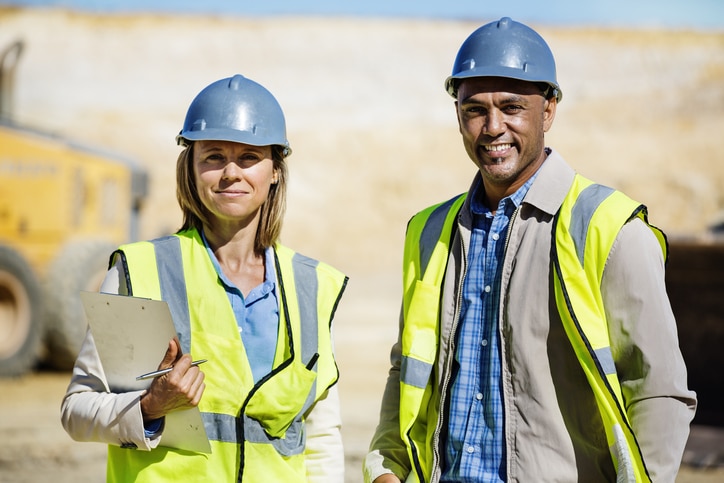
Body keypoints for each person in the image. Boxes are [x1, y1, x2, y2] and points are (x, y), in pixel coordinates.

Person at [364, 17, 696, 483]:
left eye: (512, 107)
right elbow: (408, 371)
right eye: (474, 109)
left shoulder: (608, 229)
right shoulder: (429, 231)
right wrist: (386, 469)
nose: (492, 127)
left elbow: (659, 393)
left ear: (549, 110)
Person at [61, 74, 348, 482]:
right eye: (213, 156)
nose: (231, 172)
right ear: (191, 168)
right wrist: (149, 408)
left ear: (275, 172)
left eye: (249, 157)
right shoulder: (141, 271)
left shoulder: (310, 286)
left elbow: (320, 438)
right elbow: (76, 411)